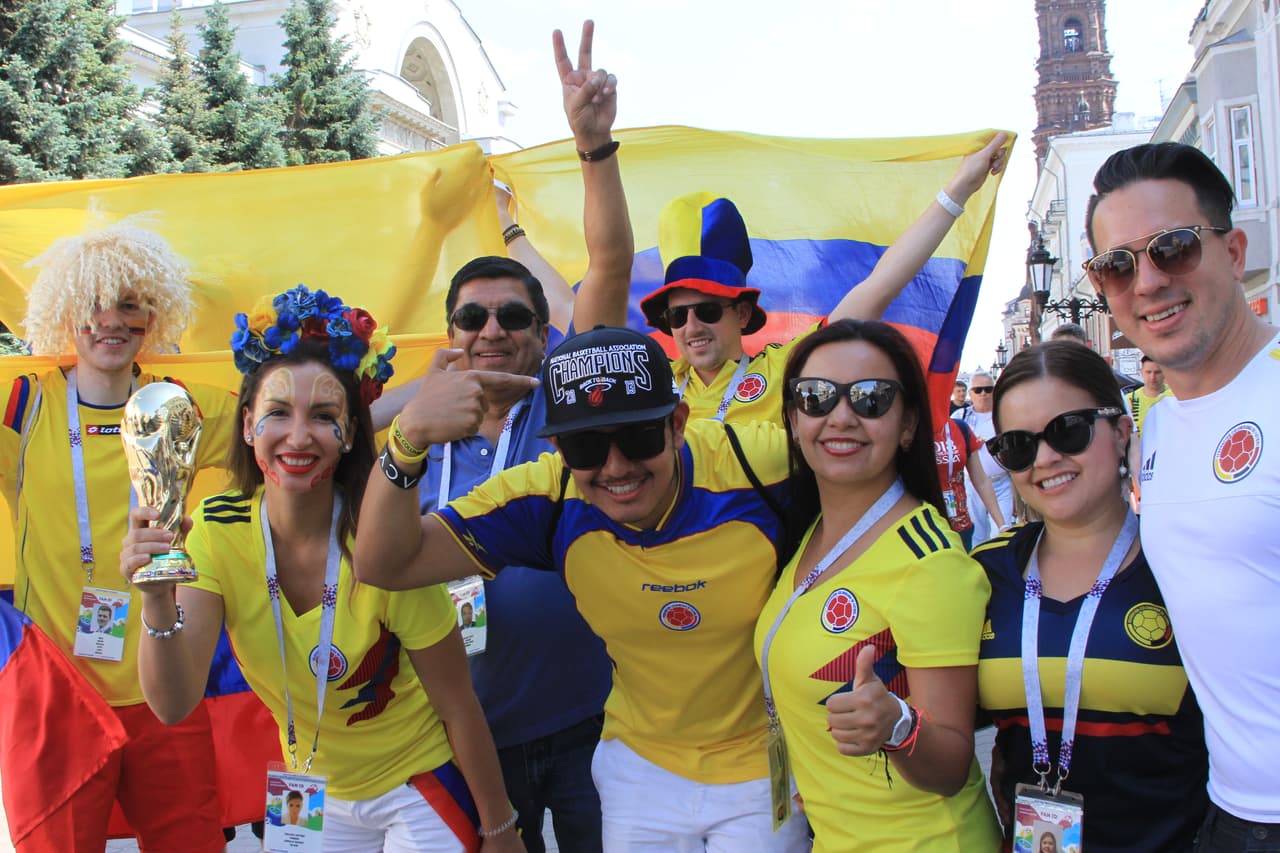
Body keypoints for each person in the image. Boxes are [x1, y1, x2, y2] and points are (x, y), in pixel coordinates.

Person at [356, 325, 811, 851]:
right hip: (641, 768)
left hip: (762, 766)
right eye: (585, 445)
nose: (616, 467)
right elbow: (382, 562)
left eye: (638, 437)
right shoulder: (547, 497)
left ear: (678, 424)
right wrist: (407, 438)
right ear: (556, 447)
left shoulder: (761, 466)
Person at [121, 285, 525, 851]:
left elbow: (457, 704)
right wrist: (157, 600)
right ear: (245, 427)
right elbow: (173, 702)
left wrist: (500, 827)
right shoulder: (216, 530)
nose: (299, 436)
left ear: (352, 433)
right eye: (277, 413)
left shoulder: (382, 543)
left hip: (417, 785)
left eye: (323, 416)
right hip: (312, 795)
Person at [407, 21, 629, 852]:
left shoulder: (571, 405)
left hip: (587, 729)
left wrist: (593, 147)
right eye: (473, 317)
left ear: (545, 335)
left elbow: (605, 269)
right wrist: (413, 403)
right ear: (451, 332)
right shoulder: (418, 435)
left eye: (514, 316)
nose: (492, 330)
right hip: (459, 739)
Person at [0, 223, 236, 853]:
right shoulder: (20, 405)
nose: (111, 321)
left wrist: (418, 397)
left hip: (165, 685)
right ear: (64, 313)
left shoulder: (179, 404)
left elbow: (303, 427)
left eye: (130, 304)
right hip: (56, 693)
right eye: (93, 304)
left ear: (153, 315)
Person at [1084, 141, 1280, 850]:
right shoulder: (1156, 426)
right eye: (1117, 265)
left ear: (1233, 250)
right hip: (1228, 810)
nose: (1147, 282)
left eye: (1172, 247)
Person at [754, 319, 999, 850]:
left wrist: (897, 726)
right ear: (793, 420)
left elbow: (954, 762)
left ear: (908, 424)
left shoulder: (928, 564)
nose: (840, 416)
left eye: (871, 398)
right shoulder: (811, 532)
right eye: (815, 397)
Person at [579, 129, 1009, 426]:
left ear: (743, 313)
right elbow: (593, 287)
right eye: (677, 316)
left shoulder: (786, 369)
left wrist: (959, 190)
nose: (691, 326)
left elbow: (880, 284)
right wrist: (512, 228)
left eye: (708, 309)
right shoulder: (650, 383)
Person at [973, 341, 1207, 852]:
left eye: (1068, 429)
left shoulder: (1186, 562)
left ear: (1123, 432)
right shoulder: (984, 574)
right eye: (1018, 444)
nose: (1046, 458)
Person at [955, 369, 1014, 541]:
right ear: (970, 393)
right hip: (972, 486)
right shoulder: (960, 417)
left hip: (1002, 482)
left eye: (988, 389)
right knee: (977, 535)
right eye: (978, 390)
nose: (983, 394)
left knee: (1002, 532)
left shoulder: (1005, 416)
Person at [934, 415, 1006, 549]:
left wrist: (1002, 525)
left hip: (961, 527)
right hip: (928, 530)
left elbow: (981, 480)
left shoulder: (960, 428)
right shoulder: (909, 431)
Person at [1125, 355, 1172, 437]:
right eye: (1148, 372)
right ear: (1141, 372)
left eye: (1157, 372)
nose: (1152, 377)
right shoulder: (1130, 400)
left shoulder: (1175, 396)